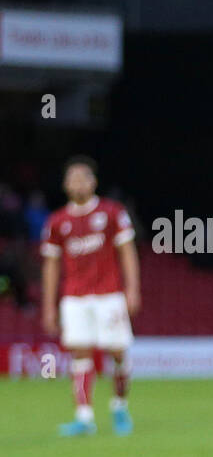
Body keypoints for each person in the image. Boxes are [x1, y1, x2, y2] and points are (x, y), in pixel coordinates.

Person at [40, 157, 139, 436]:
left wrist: (132, 289)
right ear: (65, 185)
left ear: (93, 182)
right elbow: (50, 265)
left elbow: (127, 252)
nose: (78, 183)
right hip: (75, 296)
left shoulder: (111, 213)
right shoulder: (57, 221)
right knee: (80, 353)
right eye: (72, 178)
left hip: (109, 294)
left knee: (117, 351)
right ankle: (84, 417)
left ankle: (119, 406)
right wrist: (49, 306)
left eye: (83, 178)